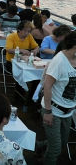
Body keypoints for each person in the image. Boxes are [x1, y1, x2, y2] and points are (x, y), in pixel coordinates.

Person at [41, 32, 76, 165]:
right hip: (53, 110)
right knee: (56, 149)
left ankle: (39, 146)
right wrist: (48, 112)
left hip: (68, 111)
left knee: (61, 142)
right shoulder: (59, 61)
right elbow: (47, 86)